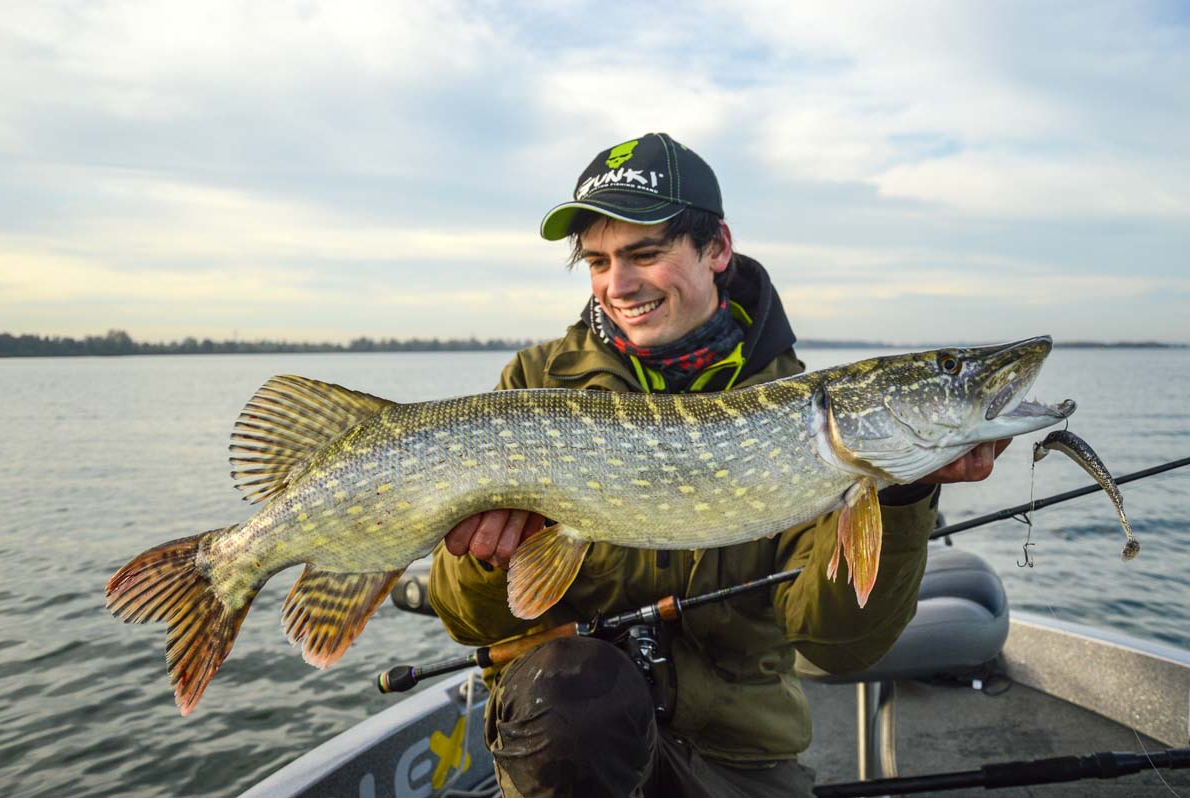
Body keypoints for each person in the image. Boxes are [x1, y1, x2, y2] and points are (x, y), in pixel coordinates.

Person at [428, 133, 1008, 798]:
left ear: (717, 250)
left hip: (738, 754)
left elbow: (837, 646)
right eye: (597, 261)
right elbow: (469, 623)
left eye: (644, 254)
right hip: (568, 748)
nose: (618, 286)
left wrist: (905, 495)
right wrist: (483, 560)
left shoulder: (792, 412)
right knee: (573, 697)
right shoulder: (534, 385)